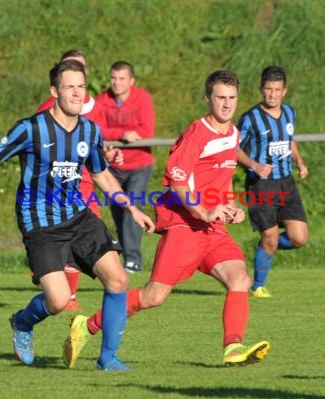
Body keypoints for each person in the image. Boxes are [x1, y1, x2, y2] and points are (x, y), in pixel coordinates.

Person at [0, 60, 155, 371]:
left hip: (79, 216)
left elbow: (101, 175)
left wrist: (131, 208)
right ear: (54, 91)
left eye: (81, 86)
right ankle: (22, 322)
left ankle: (108, 359)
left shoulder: (90, 130)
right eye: (69, 87)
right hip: (40, 223)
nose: (76, 93)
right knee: (59, 301)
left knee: (118, 279)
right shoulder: (31, 128)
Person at [62, 70, 271, 369]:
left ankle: (233, 347)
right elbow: (178, 183)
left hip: (212, 228)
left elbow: (223, 181)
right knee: (153, 296)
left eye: (232, 98)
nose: (227, 104)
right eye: (220, 97)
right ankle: (87, 325)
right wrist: (204, 211)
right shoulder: (196, 134)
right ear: (207, 98)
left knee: (240, 278)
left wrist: (231, 205)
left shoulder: (233, 134)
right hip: (185, 225)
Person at [36, 49, 123, 311]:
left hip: (86, 187)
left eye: (81, 73)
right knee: (62, 247)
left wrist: (107, 154)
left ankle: (72, 297)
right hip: (55, 192)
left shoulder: (95, 108)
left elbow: (95, 142)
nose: (76, 87)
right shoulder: (46, 112)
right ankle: (55, 286)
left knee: (108, 264)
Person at [236, 66, 309, 298]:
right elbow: (233, 148)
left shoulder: (289, 113)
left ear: (284, 91)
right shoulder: (250, 118)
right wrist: (254, 165)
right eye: (268, 89)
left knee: (299, 238)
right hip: (261, 185)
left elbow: (289, 140)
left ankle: (266, 249)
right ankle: (258, 285)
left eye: (277, 90)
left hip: (286, 183)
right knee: (270, 236)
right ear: (261, 89)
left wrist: (300, 161)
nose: (272, 94)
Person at [96, 61, 156, 273]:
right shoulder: (103, 99)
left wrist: (122, 133)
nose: (117, 83)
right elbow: (98, 129)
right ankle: (125, 255)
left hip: (139, 164)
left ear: (131, 81)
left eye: (122, 78)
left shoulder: (143, 99)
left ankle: (133, 259)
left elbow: (146, 130)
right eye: (113, 78)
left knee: (133, 209)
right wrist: (122, 134)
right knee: (119, 212)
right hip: (112, 166)